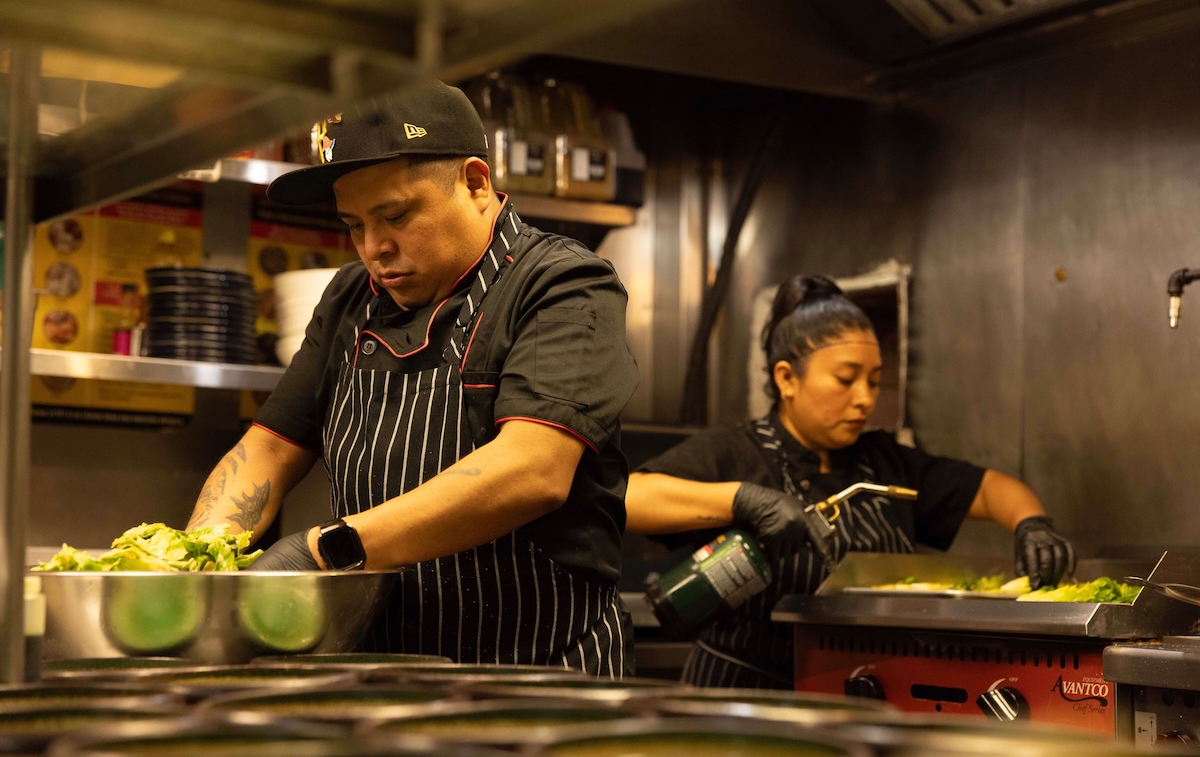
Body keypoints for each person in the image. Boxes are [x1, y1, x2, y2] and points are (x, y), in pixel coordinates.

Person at [186, 79, 640, 675]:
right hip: (382, 673)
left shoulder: (563, 284)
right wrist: (193, 566)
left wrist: (328, 550)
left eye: (395, 215)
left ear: (476, 183)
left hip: (535, 675)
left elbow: (532, 470)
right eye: (354, 225)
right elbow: (269, 448)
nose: (374, 247)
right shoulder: (351, 296)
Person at [625, 274, 1076, 689]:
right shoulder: (736, 452)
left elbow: (993, 488)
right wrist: (741, 499)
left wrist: (1031, 523)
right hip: (738, 700)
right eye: (845, 379)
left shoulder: (884, 461)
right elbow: (630, 497)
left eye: (874, 382)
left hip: (857, 694)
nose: (864, 399)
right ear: (787, 379)